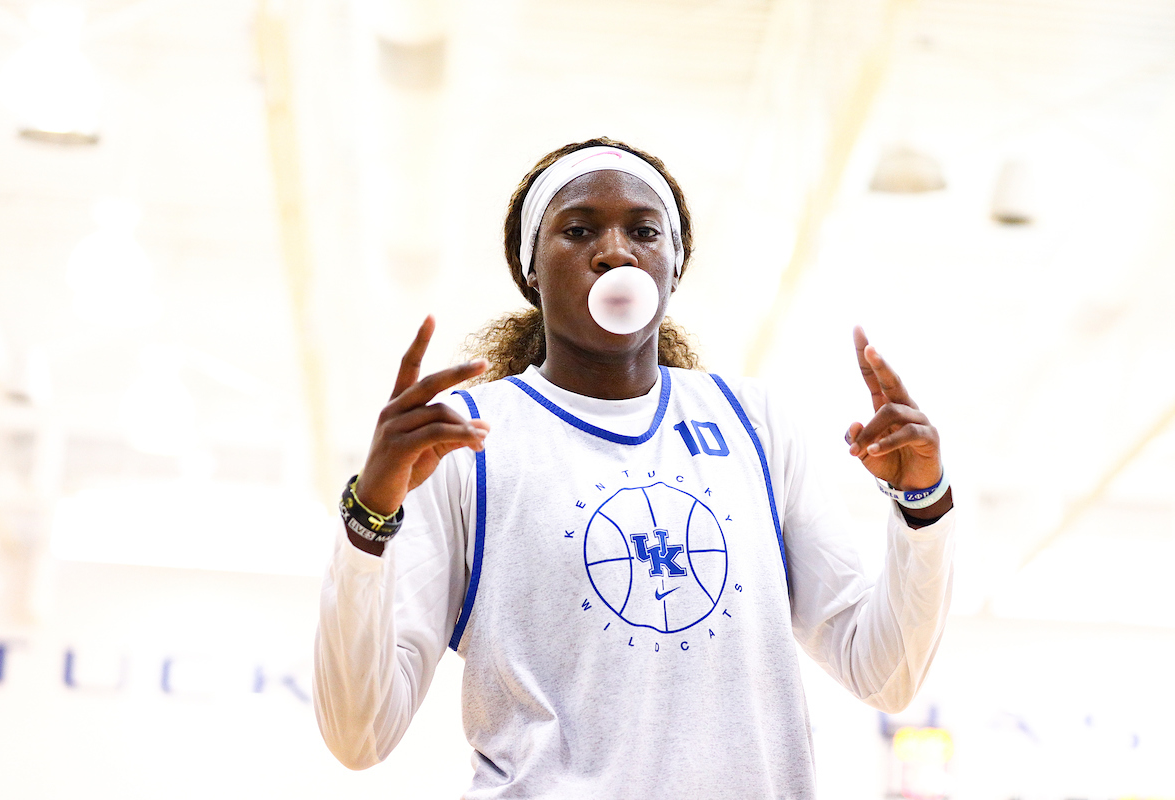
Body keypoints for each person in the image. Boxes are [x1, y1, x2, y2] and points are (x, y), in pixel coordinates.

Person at [313, 137, 955, 799]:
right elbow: (359, 734)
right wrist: (370, 517)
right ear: (531, 267)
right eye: (579, 230)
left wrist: (923, 507)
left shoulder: (755, 424)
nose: (615, 251)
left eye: (644, 231)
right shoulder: (465, 441)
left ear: (673, 267)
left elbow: (886, 672)